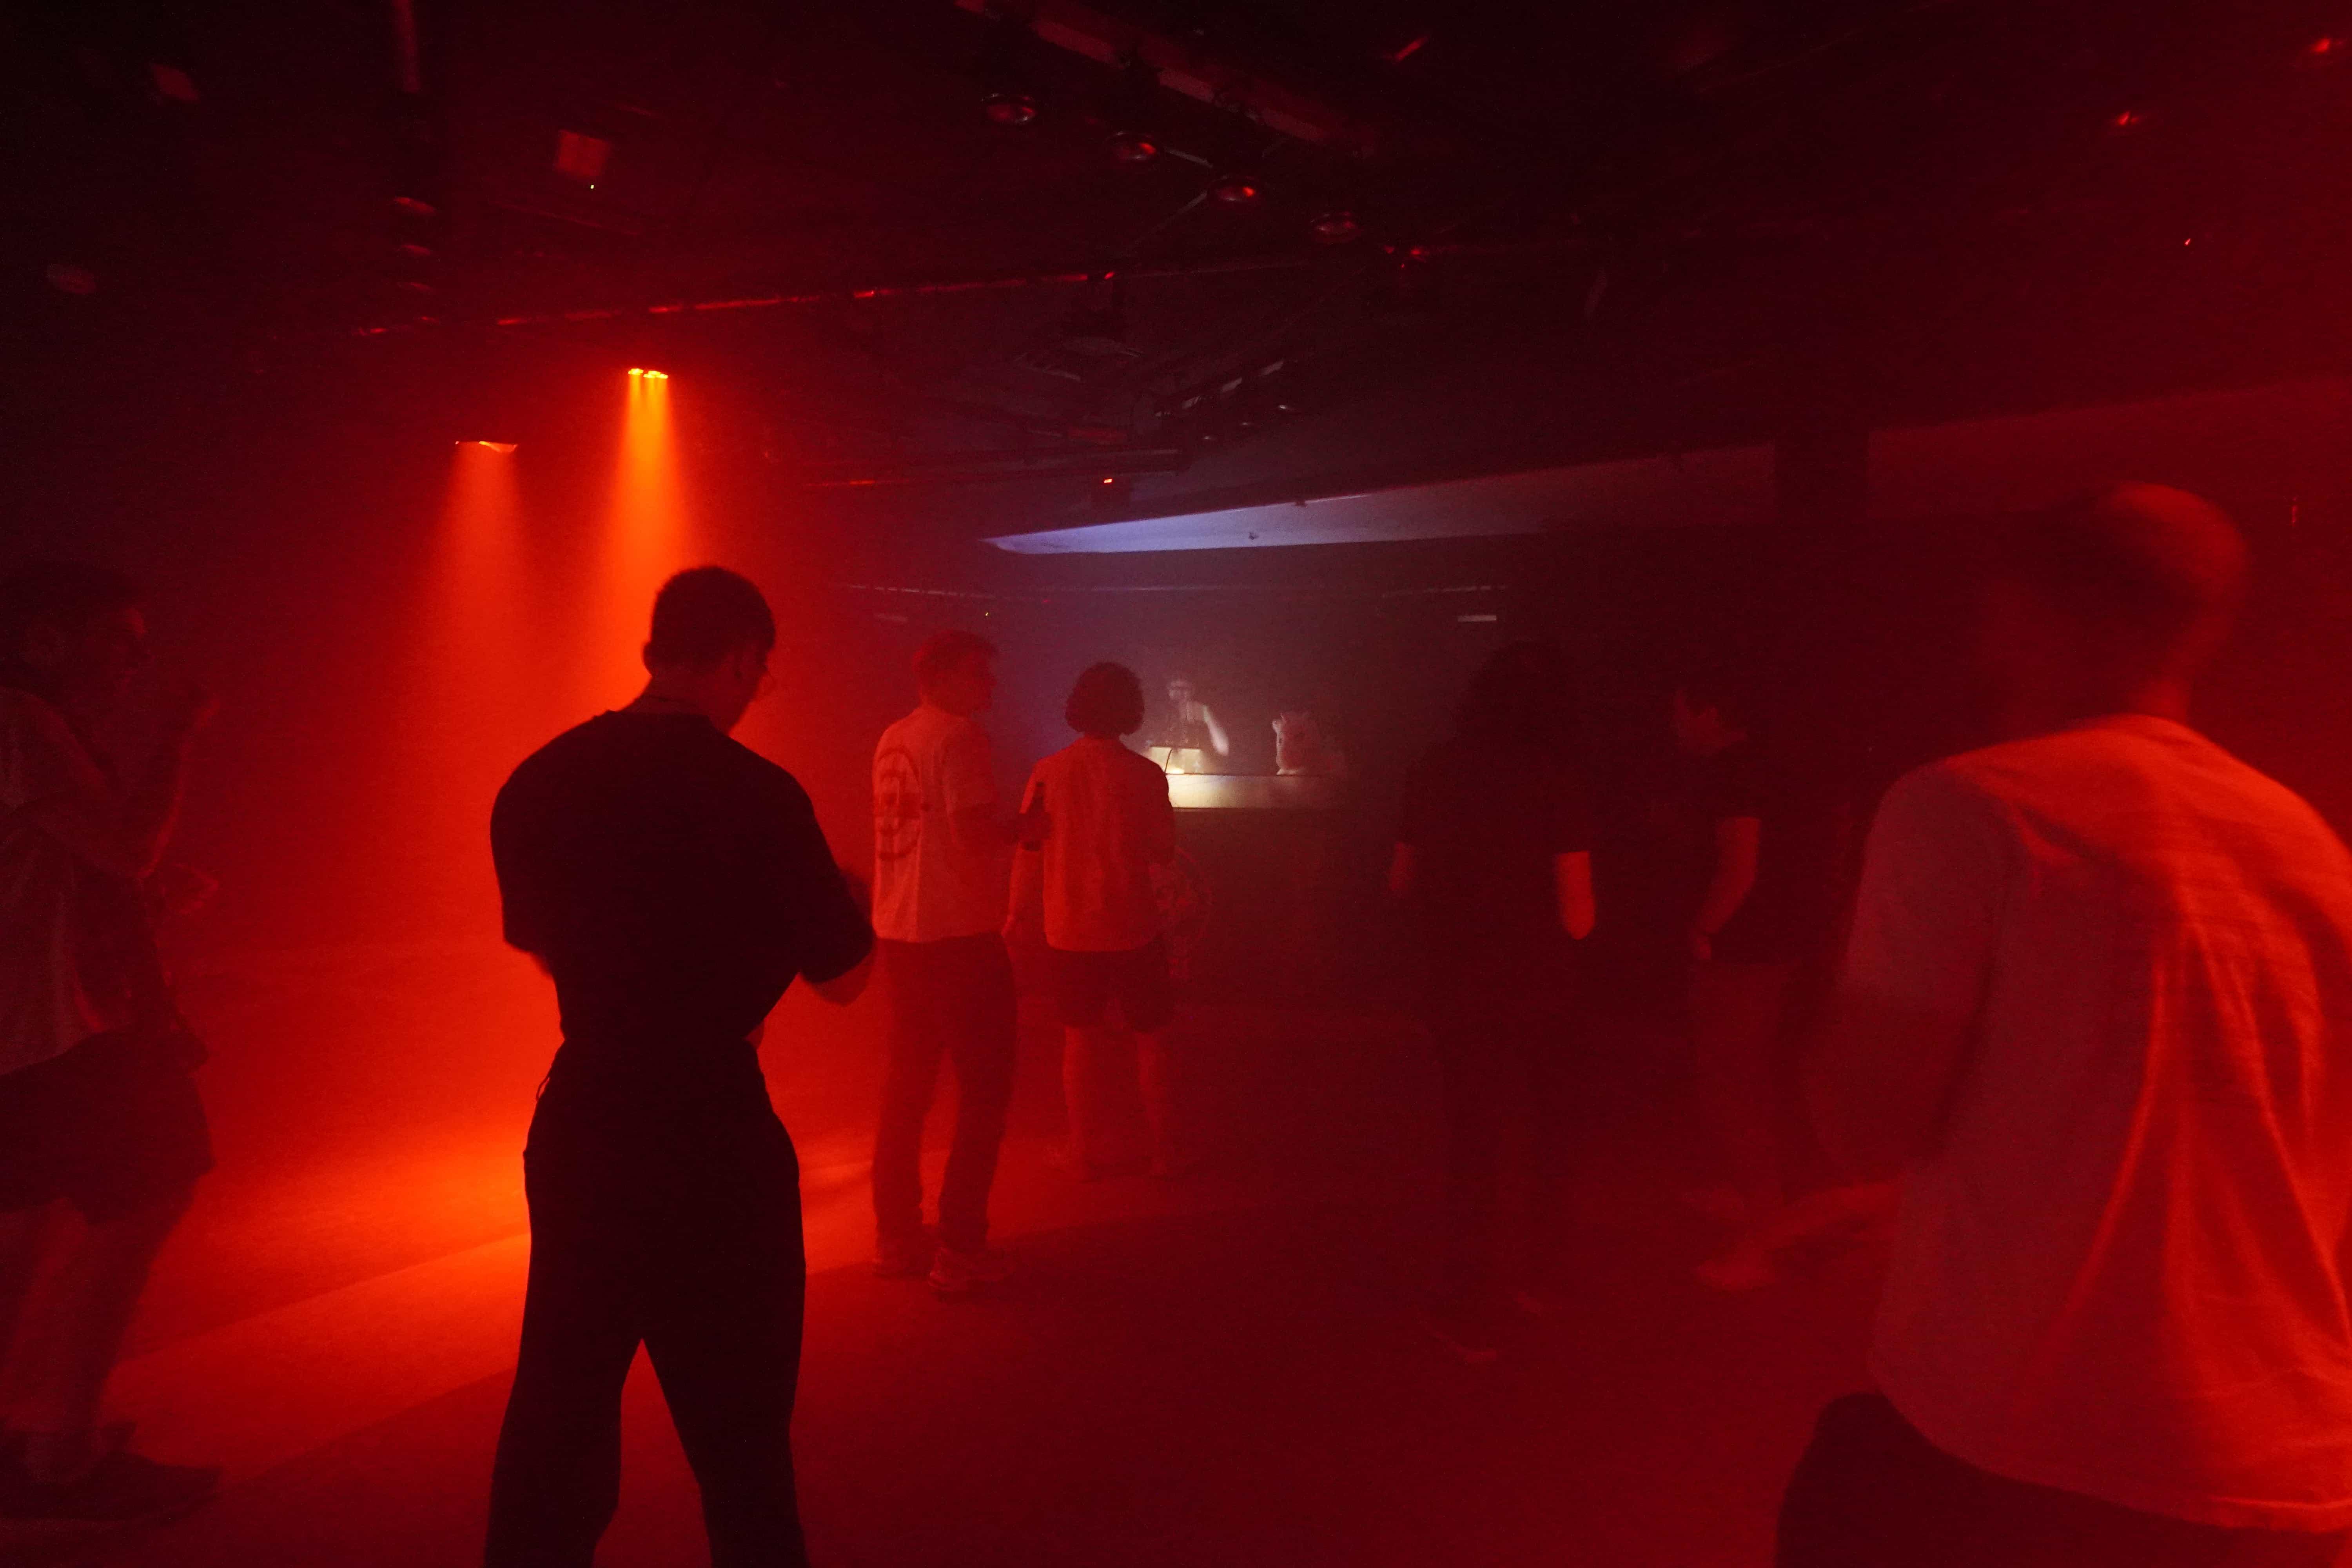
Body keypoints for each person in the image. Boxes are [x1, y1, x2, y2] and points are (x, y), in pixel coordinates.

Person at [1779, 485, 2352, 1567]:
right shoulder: (2314, 850)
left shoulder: (1972, 808)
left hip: (2035, 1452)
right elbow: (2264, 1153)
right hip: (2292, 1474)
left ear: (2018, 612)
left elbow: (1863, 1124)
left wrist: (1831, 990)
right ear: (2204, 629)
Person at [485, 567, 873, 1568]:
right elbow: (844, 977)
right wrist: (843, 898)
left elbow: (538, 937)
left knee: (559, 1406)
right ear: (742, 659)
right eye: (761, 674)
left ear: (658, 650)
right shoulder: (763, 795)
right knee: (742, 1434)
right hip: (715, 1129)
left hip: (588, 1114)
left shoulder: (539, 779)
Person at [0, 562, 220, 1523]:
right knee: (149, 1192)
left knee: (23, 1221)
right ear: (45, 639)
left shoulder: (31, 723)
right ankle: (62, 1453)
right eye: (118, 641)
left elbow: (54, 878)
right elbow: (127, 848)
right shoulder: (21, 721)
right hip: (60, 1029)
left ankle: (36, 1439)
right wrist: (177, 739)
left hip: (32, 1026)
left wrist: (145, 902)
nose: (136, 662)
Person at [1390, 641, 1595, 1363]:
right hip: (1541, 983)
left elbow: (1401, 879)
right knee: (1550, 1131)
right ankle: (1546, 1278)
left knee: (1472, 1137)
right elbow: (1578, 913)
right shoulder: (1557, 777)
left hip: (1457, 979)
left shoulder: (1432, 768)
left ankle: (1468, 1297)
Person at [868, 630, 1044, 1296]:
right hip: (960, 938)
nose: (989, 686)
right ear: (940, 678)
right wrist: (1023, 830)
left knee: (906, 1091)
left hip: (901, 934)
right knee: (984, 1093)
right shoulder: (961, 738)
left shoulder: (893, 737)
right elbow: (972, 834)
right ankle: (961, 1247)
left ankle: (897, 1237)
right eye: (979, 674)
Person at [1670, 673, 1850, 1289]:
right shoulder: (1776, 767)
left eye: (1680, 710)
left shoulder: (1732, 775)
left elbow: (1739, 867)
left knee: (1730, 1081)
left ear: (1711, 712)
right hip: (1785, 944)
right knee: (1749, 1073)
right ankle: (1748, 1194)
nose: (1674, 724)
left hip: (1743, 950)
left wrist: (1703, 927)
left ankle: (1765, 1233)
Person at [1009, 663, 1183, 1178]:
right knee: (1152, 1040)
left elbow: (1028, 849)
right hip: (1134, 924)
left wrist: (1015, 912)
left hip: (1070, 928)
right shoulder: (1145, 774)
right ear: (1131, 709)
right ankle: (1165, 1152)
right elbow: (1163, 848)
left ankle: (1083, 1153)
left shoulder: (1048, 771)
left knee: (1079, 1041)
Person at [1156, 674, 1230, 775]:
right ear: (1168, 690)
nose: (1180, 693)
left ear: (1193, 691)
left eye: (1185, 689)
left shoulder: (1201, 711)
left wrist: (1207, 715)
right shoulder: (1159, 713)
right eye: (1175, 688)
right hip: (1162, 772)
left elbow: (1223, 748)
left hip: (1195, 773)